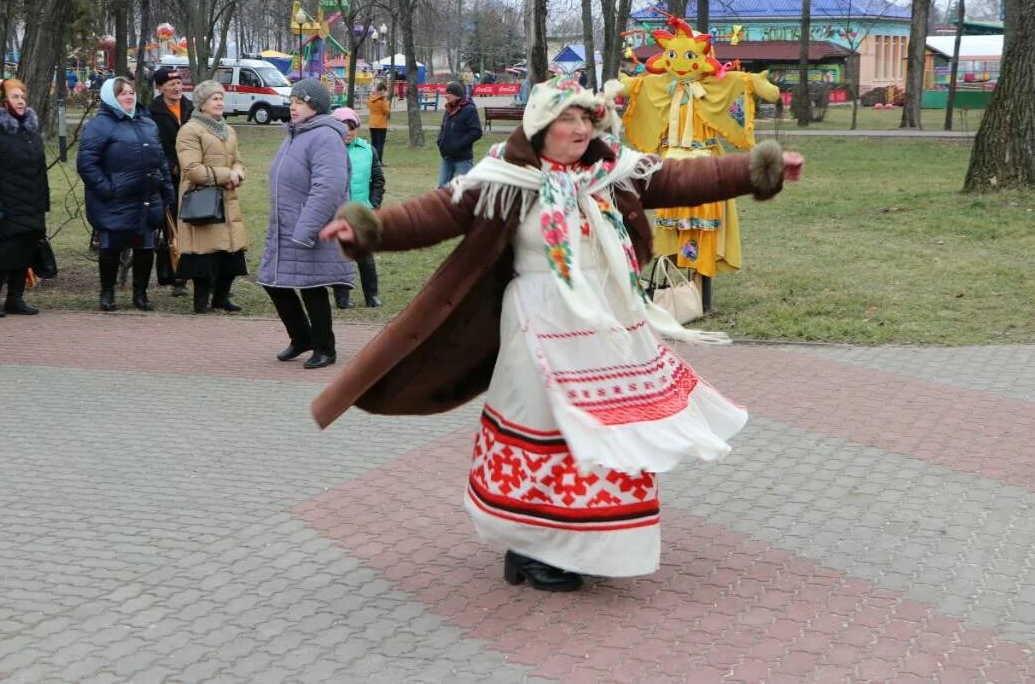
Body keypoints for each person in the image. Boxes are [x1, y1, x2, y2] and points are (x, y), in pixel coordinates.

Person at [314, 76, 804, 591]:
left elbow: (681, 179)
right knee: (547, 433)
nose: (578, 128)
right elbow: (434, 212)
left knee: (607, 434)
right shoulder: (505, 175)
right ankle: (530, 546)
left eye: (584, 118)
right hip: (540, 322)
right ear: (540, 127)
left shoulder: (612, 170)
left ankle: (580, 545)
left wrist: (755, 171)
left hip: (607, 323)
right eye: (566, 119)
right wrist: (369, 228)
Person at [256, 78, 352, 369]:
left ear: (315, 106)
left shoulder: (324, 137)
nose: (292, 107)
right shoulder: (296, 134)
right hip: (285, 225)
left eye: (299, 102)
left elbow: (328, 187)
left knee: (313, 286)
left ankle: (325, 347)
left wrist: (306, 228)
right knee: (273, 282)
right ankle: (302, 338)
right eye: (292, 101)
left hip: (310, 227)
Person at [77, 76, 173, 312]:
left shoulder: (147, 123)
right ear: (111, 97)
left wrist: (167, 190)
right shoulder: (99, 126)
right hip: (115, 199)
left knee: (145, 248)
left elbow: (160, 160)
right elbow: (87, 163)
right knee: (111, 248)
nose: (129, 96)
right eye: (123, 93)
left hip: (147, 198)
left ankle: (140, 294)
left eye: (131, 92)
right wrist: (107, 188)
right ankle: (107, 292)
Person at [0, 79, 50, 318]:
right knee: (4, 251)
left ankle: (15, 297)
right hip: (1, 202)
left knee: (25, 251)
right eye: (15, 97)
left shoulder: (28, 128)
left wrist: (43, 200)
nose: (21, 101)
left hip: (29, 202)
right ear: (0, 99)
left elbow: (39, 166)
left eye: (23, 96)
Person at [175, 81, 248, 314]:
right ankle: (201, 300)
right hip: (202, 197)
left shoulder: (229, 130)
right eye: (214, 98)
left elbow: (238, 160)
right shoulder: (190, 130)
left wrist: (237, 173)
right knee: (203, 253)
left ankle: (221, 298)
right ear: (202, 104)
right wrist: (227, 175)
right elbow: (191, 169)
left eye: (221, 98)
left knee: (230, 251)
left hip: (227, 197)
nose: (219, 102)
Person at [332, 108, 382, 309]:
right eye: (344, 128)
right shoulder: (328, 151)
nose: (349, 132)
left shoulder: (368, 151)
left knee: (365, 256)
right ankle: (342, 297)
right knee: (341, 256)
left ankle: (372, 295)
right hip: (337, 213)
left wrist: (374, 203)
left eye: (352, 128)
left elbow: (378, 179)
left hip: (362, 212)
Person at [150, 66, 193, 296]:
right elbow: (154, 146)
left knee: (197, 222)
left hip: (193, 175)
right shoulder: (152, 112)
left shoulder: (191, 107)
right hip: (169, 178)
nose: (177, 87)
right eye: (171, 84)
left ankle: (204, 274)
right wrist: (171, 166)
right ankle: (178, 278)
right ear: (160, 87)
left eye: (178, 82)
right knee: (173, 227)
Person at [436, 80, 482, 187]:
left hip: (462, 159)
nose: (446, 96)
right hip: (446, 157)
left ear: (456, 95)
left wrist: (458, 145)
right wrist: (440, 141)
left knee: (467, 190)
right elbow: (444, 127)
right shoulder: (448, 108)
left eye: (448, 94)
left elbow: (476, 132)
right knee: (442, 187)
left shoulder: (470, 109)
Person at [367, 81, 390, 162]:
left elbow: (368, 106)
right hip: (381, 124)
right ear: (383, 90)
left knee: (374, 143)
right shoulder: (382, 100)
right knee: (380, 144)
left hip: (372, 123)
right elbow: (386, 111)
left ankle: (373, 160)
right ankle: (379, 161)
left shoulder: (370, 99)